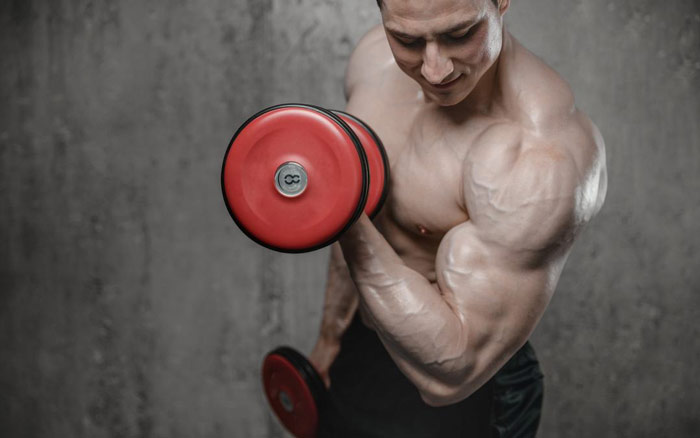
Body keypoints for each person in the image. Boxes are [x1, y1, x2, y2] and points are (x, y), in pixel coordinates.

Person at [308, 0, 607, 436]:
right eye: (408, 40)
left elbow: (453, 373)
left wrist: (341, 211)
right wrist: (330, 340)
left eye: (459, 34)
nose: (434, 70)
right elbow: (372, 226)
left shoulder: (541, 153)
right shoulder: (373, 60)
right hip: (364, 339)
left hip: (467, 384)